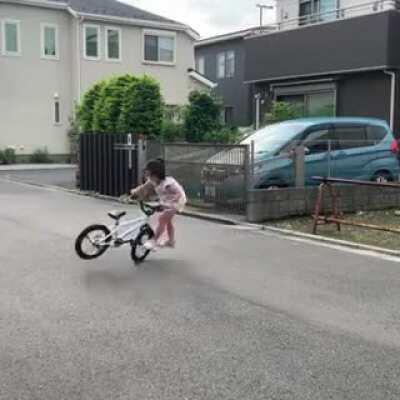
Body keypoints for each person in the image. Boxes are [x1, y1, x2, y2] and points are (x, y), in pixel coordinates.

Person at [130, 159, 186, 250]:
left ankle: (154, 241)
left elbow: (178, 194)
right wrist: (135, 193)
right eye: (147, 174)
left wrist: (168, 205)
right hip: (166, 200)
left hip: (177, 201)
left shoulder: (168, 184)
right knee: (168, 221)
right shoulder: (152, 180)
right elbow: (143, 188)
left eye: (149, 174)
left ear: (156, 174)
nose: (148, 177)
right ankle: (171, 241)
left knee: (162, 219)